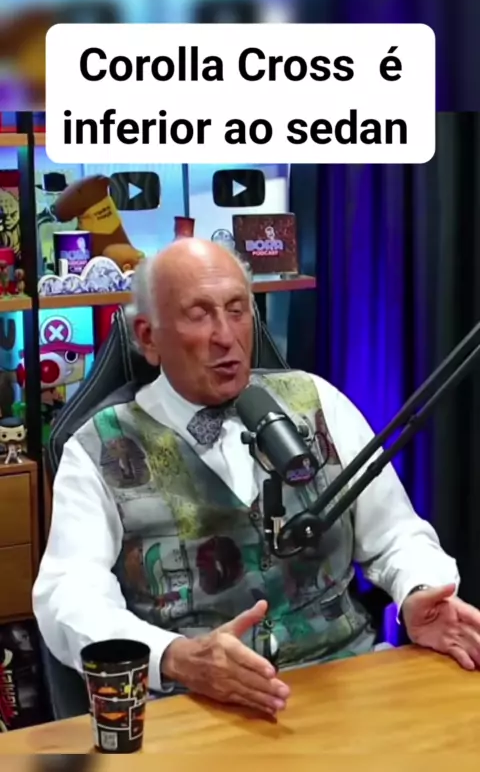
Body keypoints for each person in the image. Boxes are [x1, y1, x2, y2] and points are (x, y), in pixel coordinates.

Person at [33, 239, 480, 719]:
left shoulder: (317, 400)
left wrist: (419, 591)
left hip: (346, 685)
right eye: (199, 315)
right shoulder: (97, 448)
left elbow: (396, 534)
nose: (226, 336)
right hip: (197, 709)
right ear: (148, 337)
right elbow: (69, 595)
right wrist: (174, 657)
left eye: (237, 310)